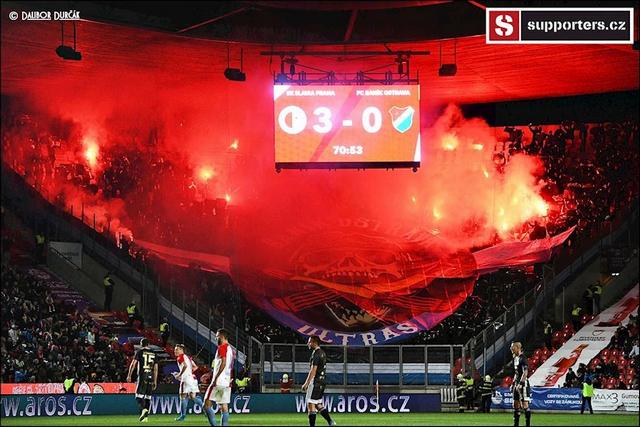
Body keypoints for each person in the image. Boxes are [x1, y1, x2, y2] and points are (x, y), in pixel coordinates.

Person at [204, 329, 235, 426]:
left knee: (206, 405)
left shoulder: (222, 347)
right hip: (226, 381)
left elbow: (223, 363)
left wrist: (215, 378)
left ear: (221, 337)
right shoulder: (230, 349)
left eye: (217, 336)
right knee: (224, 406)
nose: (216, 338)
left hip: (219, 381)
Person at [301, 335, 335, 427]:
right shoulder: (322, 353)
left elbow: (313, 370)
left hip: (315, 382)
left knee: (310, 404)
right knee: (318, 404)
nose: (308, 343)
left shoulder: (316, 354)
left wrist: (306, 383)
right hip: (322, 381)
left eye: (309, 341)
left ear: (314, 342)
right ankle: (330, 422)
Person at [127, 338, 158, 423]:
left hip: (142, 376)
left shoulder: (140, 352)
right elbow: (155, 368)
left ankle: (144, 410)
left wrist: (129, 375)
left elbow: (133, 364)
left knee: (138, 396)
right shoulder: (154, 353)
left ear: (141, 344)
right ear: (148, 344)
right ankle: (145, 418)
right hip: (151, 376)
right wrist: (155, 380)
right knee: (148, 397)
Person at [173, 344, 204, 422]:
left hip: (185, 379)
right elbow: (195, 367)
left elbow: (185, 366)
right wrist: (188, 372)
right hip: (192, 378)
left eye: (177, 349)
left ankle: (182, 416)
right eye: (175, 349)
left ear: (181, 350)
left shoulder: (180, 357)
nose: (175, 351)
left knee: (182, 396)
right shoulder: (188, 357)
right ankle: (206, 409)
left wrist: (179, 375)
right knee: (193, 397)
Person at [511, 342, 531, 427]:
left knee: (524, 405)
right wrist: (513, 383)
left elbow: (525, 372)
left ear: (517, 347)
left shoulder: (523, 358)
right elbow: (516, 373)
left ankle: (527, 424)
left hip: (523, 384)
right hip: (516, 383)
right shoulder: (515, 358)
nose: (511, 349)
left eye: (512, 347)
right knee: (515, 405)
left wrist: (521, 383)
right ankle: (516, 424)